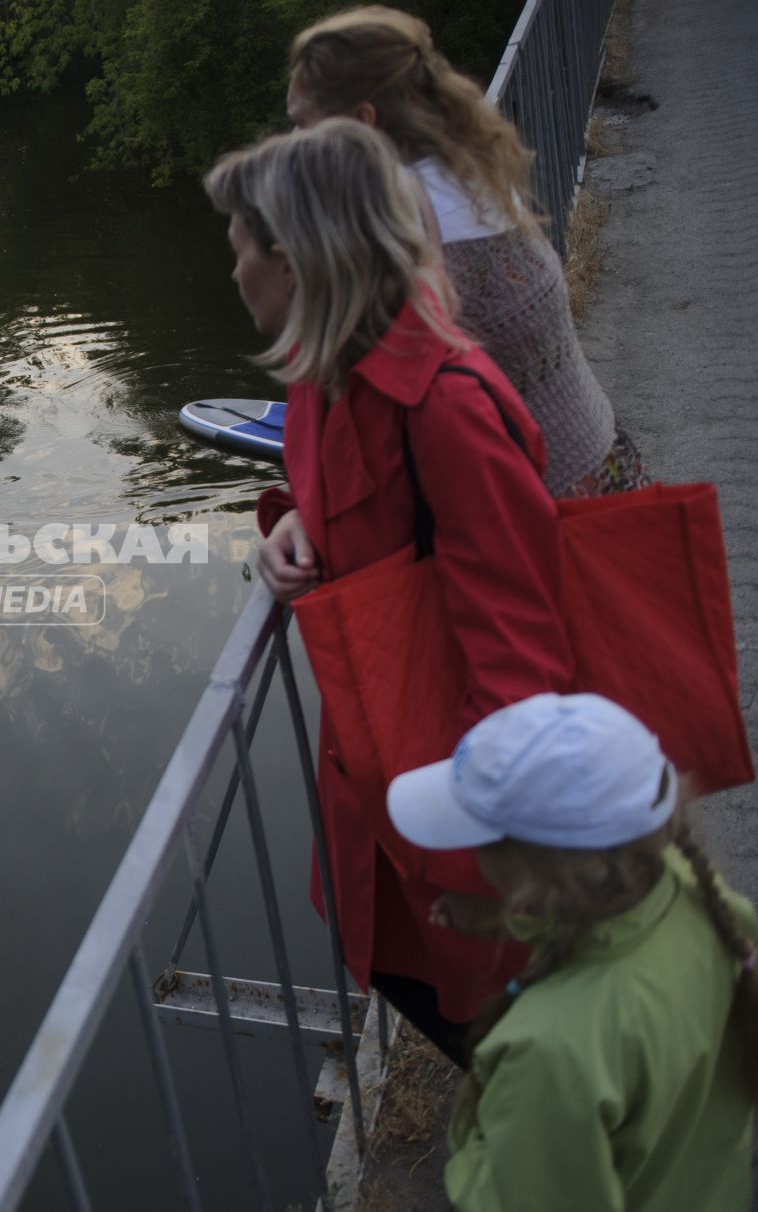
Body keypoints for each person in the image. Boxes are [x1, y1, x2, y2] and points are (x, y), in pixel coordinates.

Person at [206, 120, 573, 1061]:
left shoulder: (446, 405)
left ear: (290, 260)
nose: (233, 270)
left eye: (238, 248)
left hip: (460, 823)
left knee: (520, 1051)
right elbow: (348, 504)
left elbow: (523, 655)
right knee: (415, 985)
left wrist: (485, 867)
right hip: (381, 787)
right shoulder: (328, 380)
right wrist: (290, 526)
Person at [388, 693, 758, 1212]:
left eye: (478, 841)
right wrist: (510, 918)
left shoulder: (550, 1049)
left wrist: (474, 1149)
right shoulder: (709, 904)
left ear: (530, 874)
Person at [287, 5, 649, 498]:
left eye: (303, 124)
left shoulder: (401, 229)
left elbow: (366, 421)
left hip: (541, 509)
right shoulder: (462, 168)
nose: (292, 143)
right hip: (603, 460)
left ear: (363, 123)